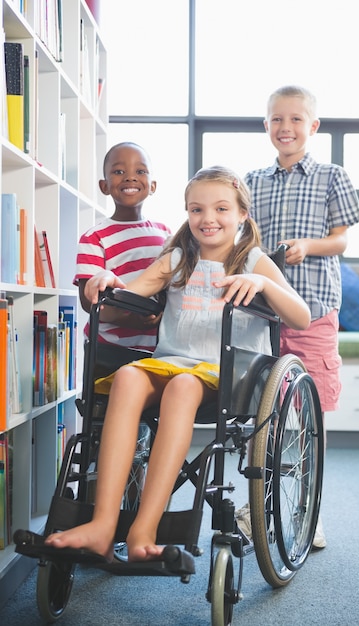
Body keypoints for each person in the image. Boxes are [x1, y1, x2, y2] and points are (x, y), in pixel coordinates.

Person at [45, 165, 311, 562]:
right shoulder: (177, 258)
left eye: (221, 209)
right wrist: (106, 282)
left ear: (242, 215)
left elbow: (302, 317)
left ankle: (144, 528)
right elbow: (130, 296)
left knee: (183, 386)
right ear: (187, 214)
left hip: (228, 373)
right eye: (196, 210)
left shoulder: (252, 260)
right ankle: (102, 524)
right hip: (171, 361)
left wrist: (264, 284)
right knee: (130, 376)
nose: (208, 219)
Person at [244, 85, 359, 548]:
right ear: (266, 126)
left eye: (295, 120)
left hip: (313, 309)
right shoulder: (251, 181)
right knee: (262, 411)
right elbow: (243, 238)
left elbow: (341, 240)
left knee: (308, 414)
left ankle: (307, 508)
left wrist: (307, 247)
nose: (285, 128)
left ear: (312, 126)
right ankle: (259, 501)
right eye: (277, 119)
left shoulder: (332, 176)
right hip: (263, 314)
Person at [74, 141, 171, 374]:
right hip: (109, 351)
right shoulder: (95, 237)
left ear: (153, 185)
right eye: (119, 172)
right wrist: (131, 319)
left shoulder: (166, 234)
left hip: (159, 350)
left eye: (140, 171)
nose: (130, 178)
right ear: (104, 185)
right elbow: (89, 302)